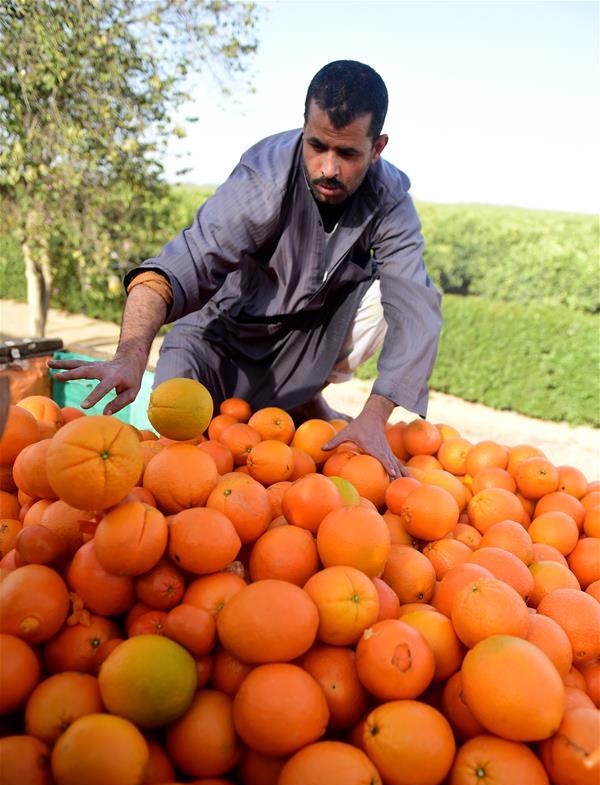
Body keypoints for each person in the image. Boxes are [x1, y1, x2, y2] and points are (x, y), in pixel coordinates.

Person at [49, 60, 442, 476]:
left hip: (304, 347)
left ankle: (306, 398)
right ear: (304, 127)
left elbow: (414, 305)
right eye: (316, 146)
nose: (328, 168)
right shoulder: (265, 175)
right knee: (174, 459)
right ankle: (293, 402)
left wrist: (376, 415)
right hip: (218, 339)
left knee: (391, 299)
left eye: (346, 153)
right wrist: (130, 354)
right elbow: (183, 262)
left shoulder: (390, 198)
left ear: (377, 148)